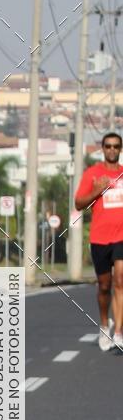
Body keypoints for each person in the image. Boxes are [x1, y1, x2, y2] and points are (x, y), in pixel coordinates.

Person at [75, 132, 123, 352]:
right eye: (108, 146)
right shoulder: (92, 174)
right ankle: (105, 325)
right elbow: (78, 203)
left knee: (120, 280)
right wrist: (97, 190)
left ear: (120, 149)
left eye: (116, 146)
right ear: (102, 149)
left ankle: (120, 332)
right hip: (99, 237)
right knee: (104, 286)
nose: (112, 150)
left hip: (121, 236)